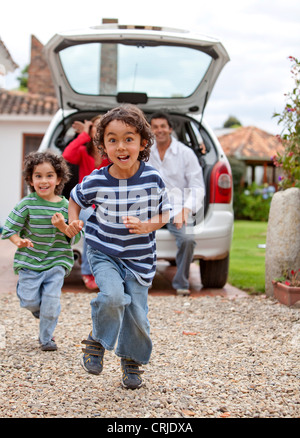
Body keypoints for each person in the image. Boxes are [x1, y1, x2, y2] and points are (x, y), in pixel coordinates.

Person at [64, 104, 171, 389]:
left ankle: (131, 361)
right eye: (112, 139)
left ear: (142, 143)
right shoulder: (97, 179)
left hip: (139, 259)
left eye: (128, 139)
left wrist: (149, 225)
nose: (120, 146)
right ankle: (97, 340)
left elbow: (165, 213)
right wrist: (74, 221)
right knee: (112, 297)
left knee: (136, 313)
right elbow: (75, 199)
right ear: (103, 145)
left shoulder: (152, 179)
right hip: (104, 253)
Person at [1, 152, 83, 351]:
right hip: (30, 262)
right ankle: (39, 308)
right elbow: (10, 229)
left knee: (51, 301)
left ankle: (46, 338)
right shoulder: (27, 204)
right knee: (30, 301)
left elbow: (76, 237)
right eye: (38, 176)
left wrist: (63, 227)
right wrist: (19, 241)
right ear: (30, 179)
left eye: (49, 175)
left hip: (57, 261)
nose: (43, 180)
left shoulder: (66, 206)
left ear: (59, 179)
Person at [148, 112, 205, 296]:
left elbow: (197, 187)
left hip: (178, 209)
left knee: (188, 239)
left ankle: (181, 281)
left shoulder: (186, 154)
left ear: (170, 129)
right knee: (133, 235)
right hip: (151, 208)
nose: (159, 130)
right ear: (150, 129)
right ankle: (142, 279)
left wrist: (186, 211)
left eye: (163, 126)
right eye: (155, 126)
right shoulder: (145, 153)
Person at [63, 115, 110, 291]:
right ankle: (87, 272)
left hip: (106, 203)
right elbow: (67, 155)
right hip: (84, 203)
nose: (98, 130)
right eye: (95, 127)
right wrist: (83, 135)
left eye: (102, 127)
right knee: (92, 221)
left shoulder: (111, 153)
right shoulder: (83, 152)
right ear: (90, 131)